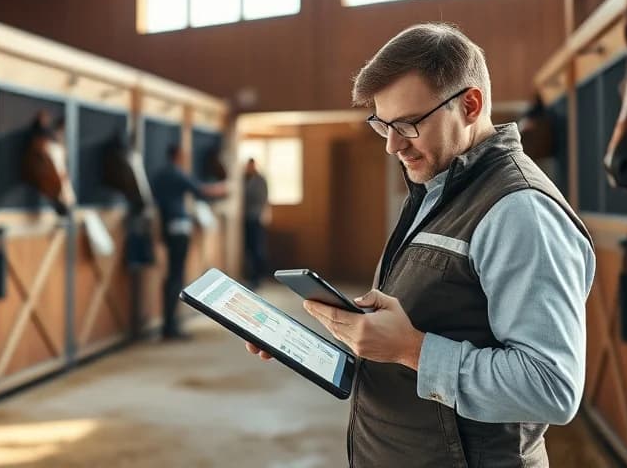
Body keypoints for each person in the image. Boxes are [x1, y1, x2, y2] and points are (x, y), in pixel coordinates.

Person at [245, 23, 595, 467]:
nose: (392, 145)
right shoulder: (438, 189)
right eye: (382, 125)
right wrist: (320, 342)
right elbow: (434, 325)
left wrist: (410, 348)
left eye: (408, 125)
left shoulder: (520, 211)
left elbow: (552, 387)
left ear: (470, 105)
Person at [151, 143, 226, 341]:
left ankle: (169, 323)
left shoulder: (159, 175)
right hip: (179, 228)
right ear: (178, 155)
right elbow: (201, 191)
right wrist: (222, 188)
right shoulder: (176, 173)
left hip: (166, 228)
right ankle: (170, 326)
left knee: (171, 276)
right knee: (176, 276)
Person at [242, 158, 270, 288]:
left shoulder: (260, 180)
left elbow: (262, 199)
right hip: (246, 218)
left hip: (256, 218)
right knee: (249, 248)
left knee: (257, 248)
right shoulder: (244, 179)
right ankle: (252, 275)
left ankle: (258, 277)